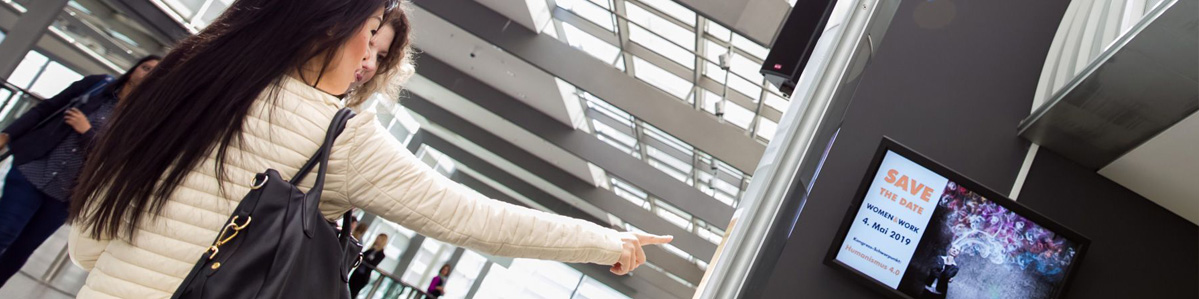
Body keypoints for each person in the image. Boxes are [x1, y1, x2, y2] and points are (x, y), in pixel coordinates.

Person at [66, 0, 671, 298]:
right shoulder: (341, 138)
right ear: (328, 26)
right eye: (369, 40)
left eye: (383, 55)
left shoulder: (204, 76)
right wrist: (604, 241)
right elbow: (472, 217)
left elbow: (92, 224)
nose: (369, 61)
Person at [0, 55, 159, 286]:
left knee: (21, 249)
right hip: (34, 169)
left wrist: (86, 132)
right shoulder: (98, 86)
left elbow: (116, 158)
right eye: (146, 67)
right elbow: (47, 108)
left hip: (66, 195)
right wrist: (8, 134)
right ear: (135, 68)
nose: (148, 73)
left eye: (155, 72)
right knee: (5, 231)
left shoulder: (141, 119)